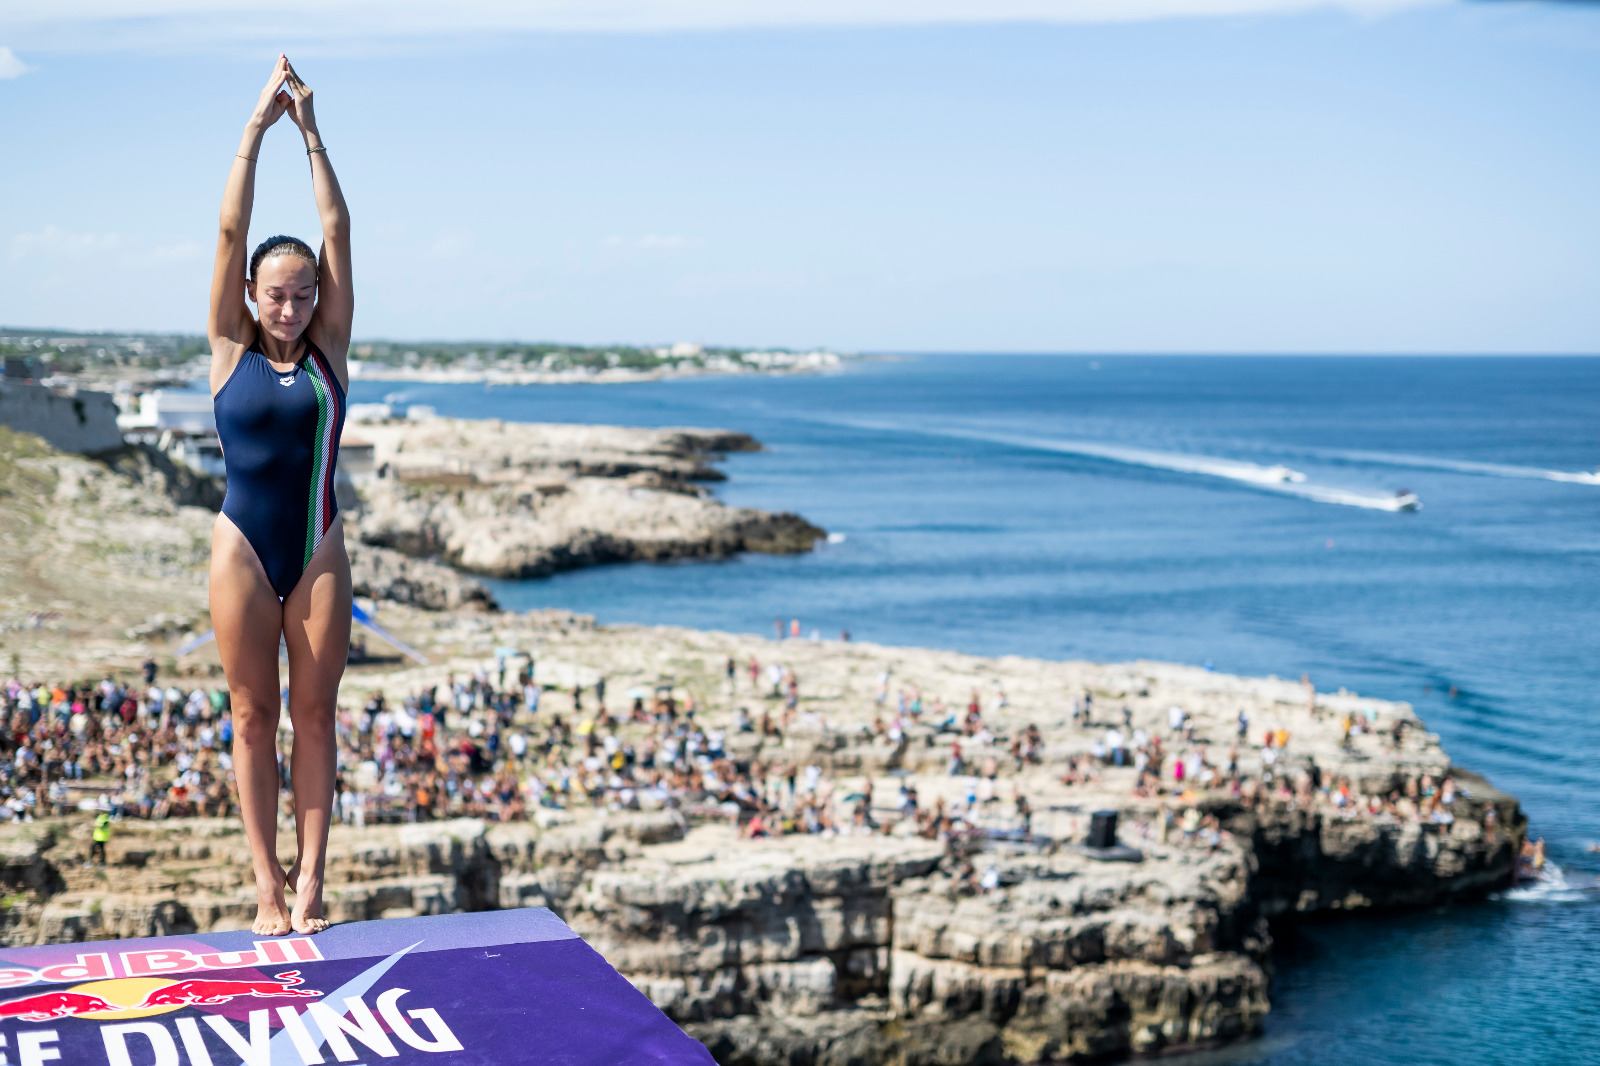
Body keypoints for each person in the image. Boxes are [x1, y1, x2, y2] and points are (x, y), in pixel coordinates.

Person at [207, 55, 353, 936]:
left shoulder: (331, 350)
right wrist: (257, 129)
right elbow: (231, 232)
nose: (292, 308)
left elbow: (336, 226)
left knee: (315, 713)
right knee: (253, 716)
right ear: (254, 299)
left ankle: (312, 883)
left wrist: (312, 133)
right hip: (241, 552)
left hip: (321, 551)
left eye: (303, 294)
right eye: (277, 295)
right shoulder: (231, 349)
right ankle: (264, 883)